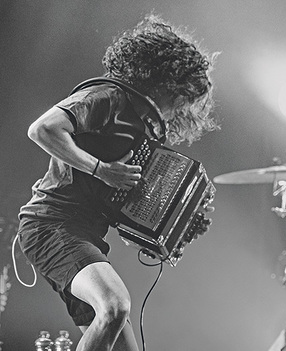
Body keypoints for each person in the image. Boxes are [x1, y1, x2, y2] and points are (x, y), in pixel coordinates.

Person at [17, 14, 218, 351]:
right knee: (115, 306)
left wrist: (172, 229)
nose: (178, 109)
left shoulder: (140, 128)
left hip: (85, 233)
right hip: (50, 225)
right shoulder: (107, 97)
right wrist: (100, 169)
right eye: (181, 96)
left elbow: (117, 202)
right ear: (167, 84)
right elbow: (43, 129)